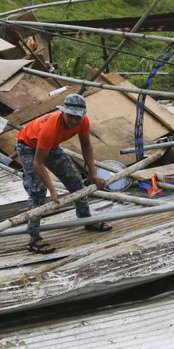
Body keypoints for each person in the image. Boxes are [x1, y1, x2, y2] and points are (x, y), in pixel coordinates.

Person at [15, 92, 111, 254]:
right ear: (63, 112)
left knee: (75, 181)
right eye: (70, 116)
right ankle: (34, 237)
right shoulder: (49, 128)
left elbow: (86, 146)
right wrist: (53, 190)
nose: (74, 121)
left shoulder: (83, 122)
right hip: (28, 147)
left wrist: (93, 173)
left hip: (51, 146)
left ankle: (86, 218)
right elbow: (38, 162)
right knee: (38, 190)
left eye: (77, 117)